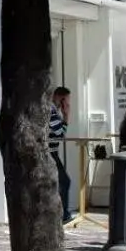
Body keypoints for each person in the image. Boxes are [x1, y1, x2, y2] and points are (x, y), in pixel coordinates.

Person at [49, 87, 73, 223]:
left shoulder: (52, 110)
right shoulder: (51, 110)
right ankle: (63, 215)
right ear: (61, 99)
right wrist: (66, 116)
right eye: (67, 101)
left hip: (52, 152)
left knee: (61, 182)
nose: (68, 105)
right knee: (64, 181)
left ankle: (61, 213)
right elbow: (60, 134)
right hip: (50, 153)